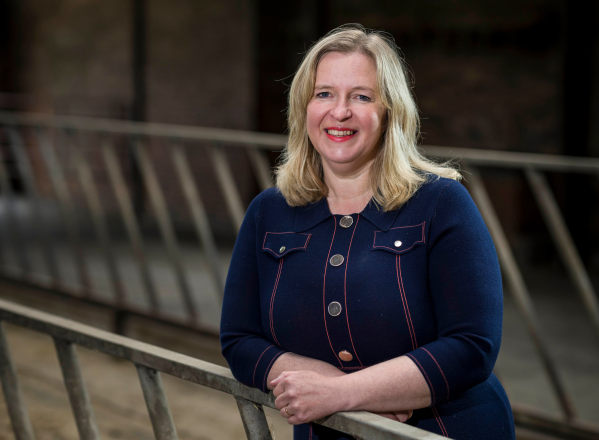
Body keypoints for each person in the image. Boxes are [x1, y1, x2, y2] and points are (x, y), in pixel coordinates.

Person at [220, 24, 515, 440]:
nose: (340, 112)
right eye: (324, 94)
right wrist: (334, 390)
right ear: (303, 107)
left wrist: (344, 394)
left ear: (390, 111)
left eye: (361, 96)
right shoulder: (268, 212)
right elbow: (239, 339)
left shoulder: (442, 203)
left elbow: (472, 345)